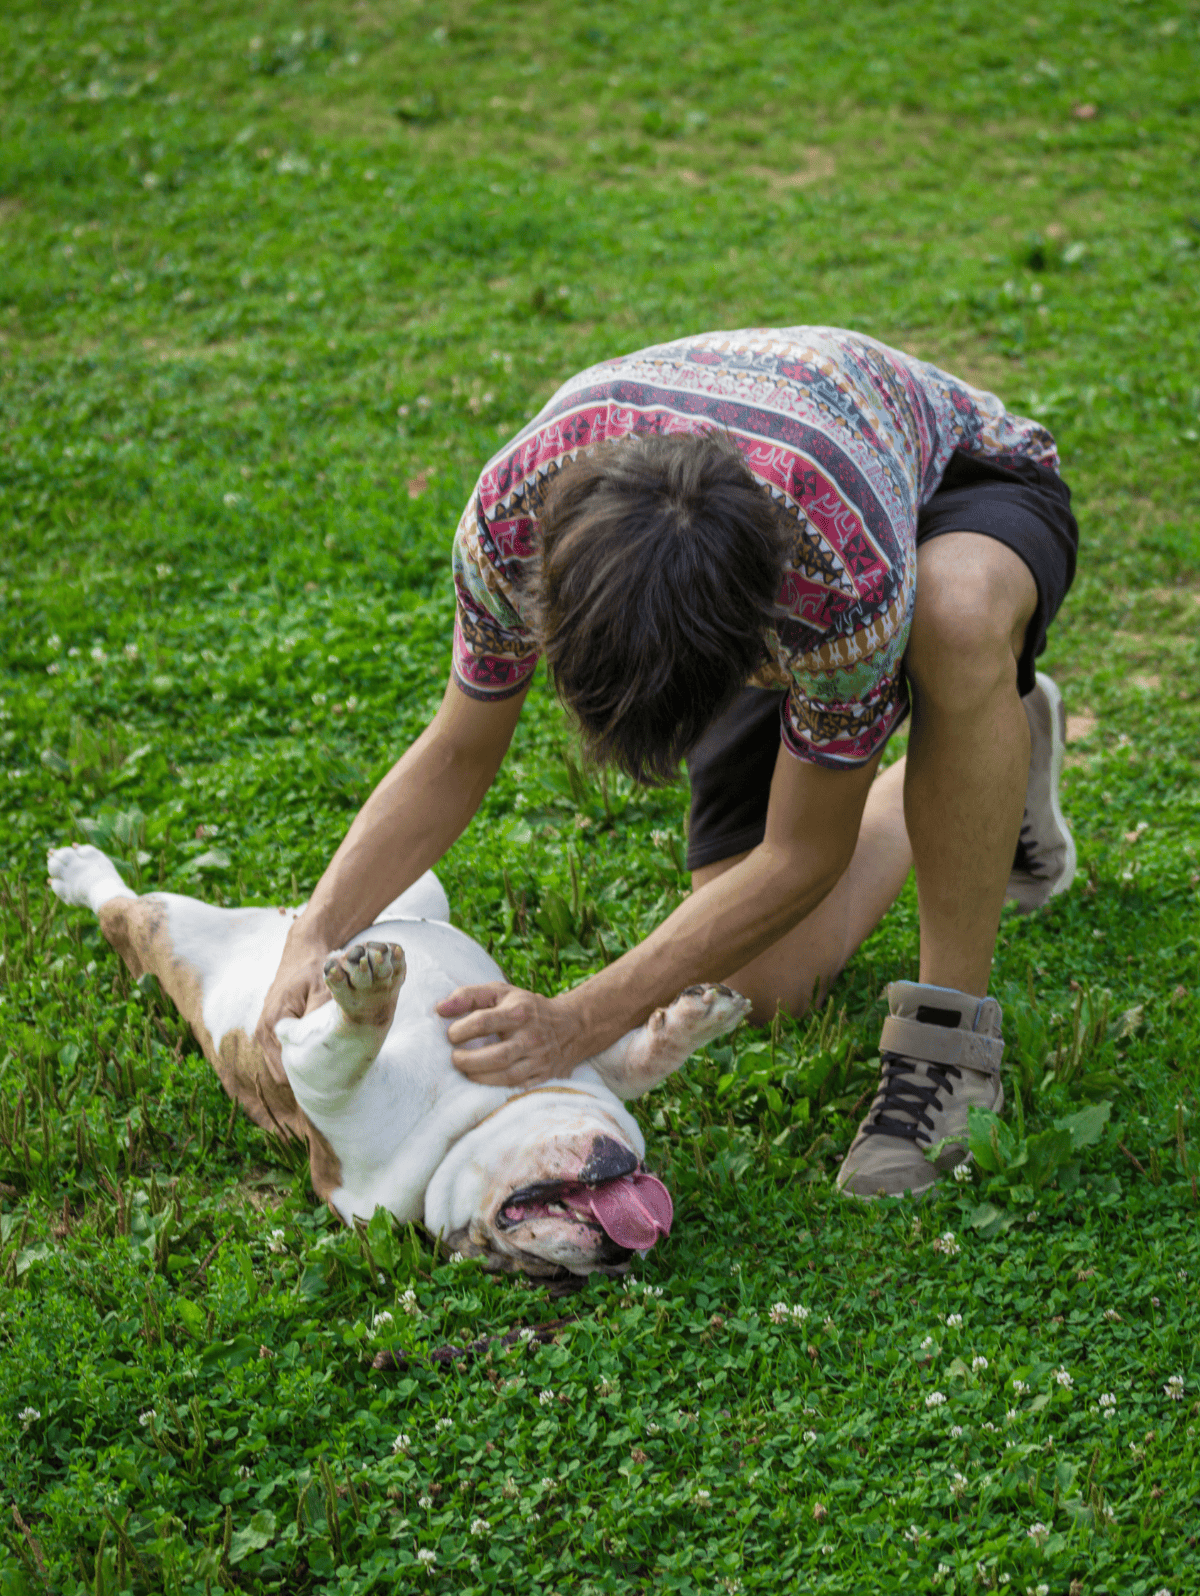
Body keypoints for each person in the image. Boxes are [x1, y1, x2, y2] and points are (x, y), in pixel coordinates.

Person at [255, 326, 1078, 1200]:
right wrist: (314, 932)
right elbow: (457, 750)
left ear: (751, 641)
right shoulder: (507, 522)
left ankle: (949, 1048)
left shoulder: (841, 581)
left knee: (953, 620)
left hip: (959, 484)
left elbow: (805, 854)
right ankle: (992, 746)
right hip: (764, 531)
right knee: (763, 984)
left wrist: (584, 1018)